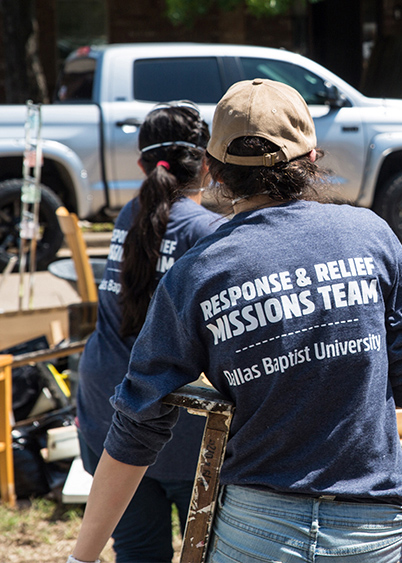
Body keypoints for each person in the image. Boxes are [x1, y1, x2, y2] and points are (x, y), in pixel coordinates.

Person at [69, 78, 402, 563]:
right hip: (370, 526)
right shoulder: (372, 235)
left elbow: (138, 423)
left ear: (215, 170)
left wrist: (80, 557)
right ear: (310, 158)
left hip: (255, 530)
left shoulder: (198, 269)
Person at [74, 100, 225, 563]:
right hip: (174, 428)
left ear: (142, 164)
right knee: (211, 550)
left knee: (138, 550)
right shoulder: (210, 232)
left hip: (107, 408)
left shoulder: (129, 216)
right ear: (206, 164)